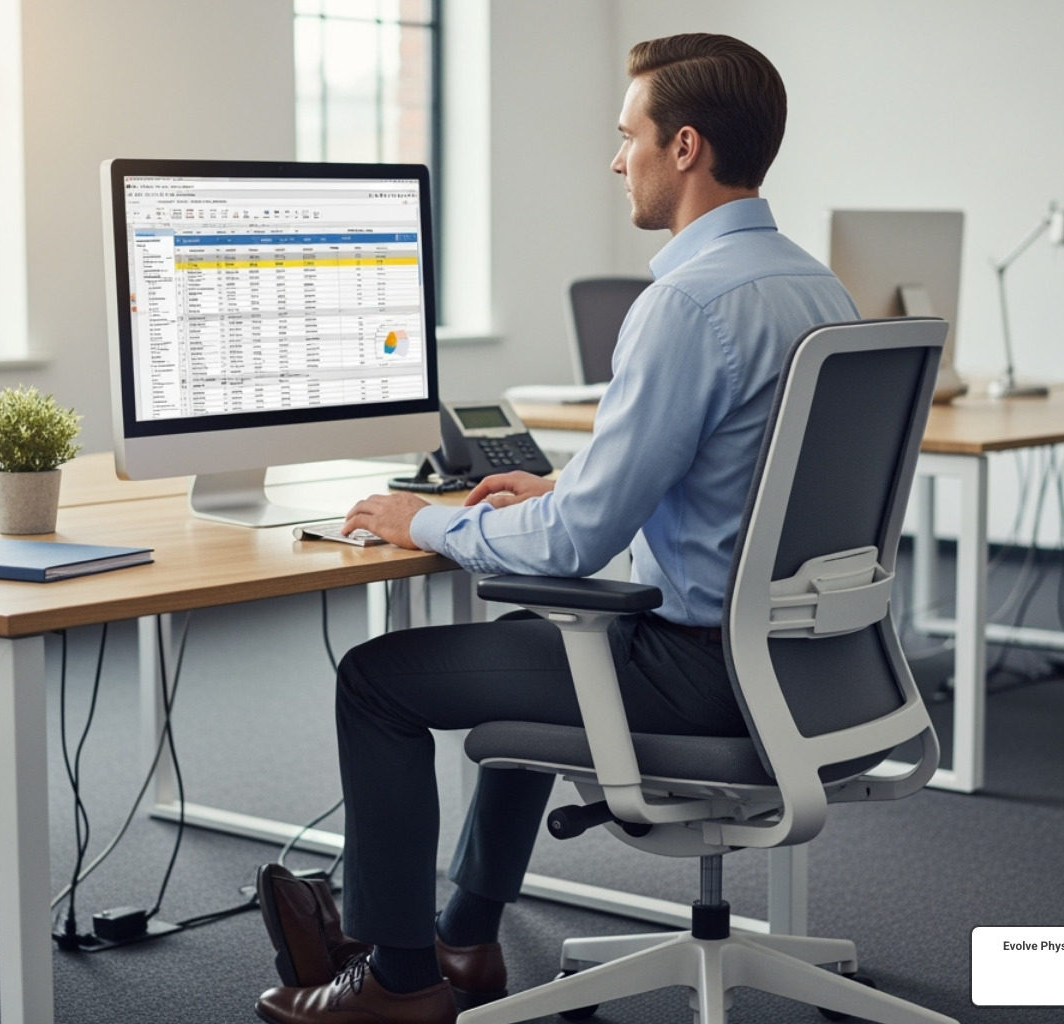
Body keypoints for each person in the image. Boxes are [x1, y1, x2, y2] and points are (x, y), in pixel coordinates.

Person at [255, 32, 859, 1024]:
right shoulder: (815, 286)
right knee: (536, 642)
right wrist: (563, 485)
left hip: (706, 672)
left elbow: (572, 546)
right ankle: (465, 937)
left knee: (376, 680)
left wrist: (426, 518)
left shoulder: (685, 303)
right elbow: (738, 469)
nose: (617, 160)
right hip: (813, 664)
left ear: (685, 147)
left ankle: (400, 982)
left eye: (629, 136)